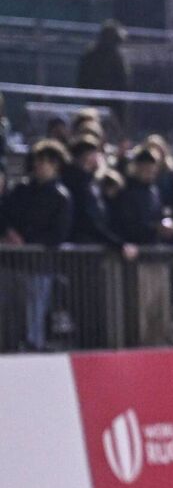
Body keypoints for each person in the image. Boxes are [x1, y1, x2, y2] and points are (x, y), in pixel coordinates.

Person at [0, 139, 72, 350]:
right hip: (12, 264)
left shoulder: (61, 197)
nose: (38, 165)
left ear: (55, 165)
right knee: (9, 310)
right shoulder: (21, 190)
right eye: (37, 161)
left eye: (44, 161)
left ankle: (33, 348)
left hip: (38, 267)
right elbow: (4, 213)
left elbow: (58, 234)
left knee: (34, 313)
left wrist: (26, 241)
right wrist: (8, 232)